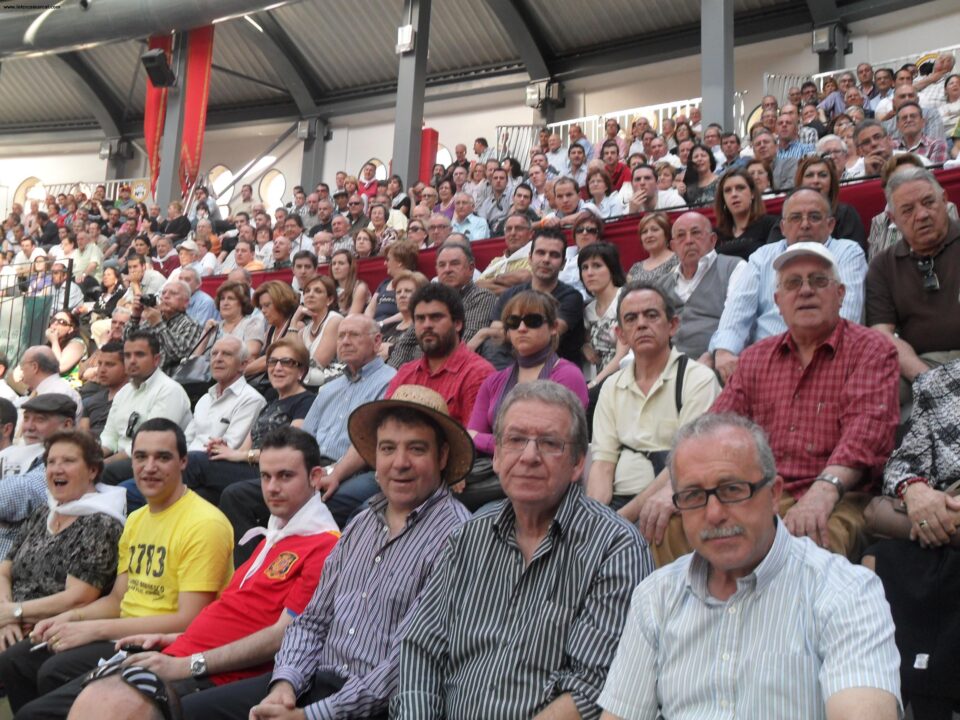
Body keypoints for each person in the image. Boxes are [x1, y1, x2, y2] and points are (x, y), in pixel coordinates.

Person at [181, 385, 472, 720]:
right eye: (388, 448)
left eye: (417, 449)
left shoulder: (457, 537)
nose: (400, 463)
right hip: (312, 684)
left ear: (443, 456)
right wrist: (284, 686)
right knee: (185, 712)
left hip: (377, 708)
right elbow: (312, 620)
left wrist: (311, 716)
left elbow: (408, 663)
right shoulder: (362, 522)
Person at [597, 413, 901, 720]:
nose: (714, 514)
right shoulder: (655, 597)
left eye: (732, 490)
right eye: (693, 496)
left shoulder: (845, 592)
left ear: (773, 494)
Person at [393, 381, 651, 718]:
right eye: (515, 440)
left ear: (577, 464)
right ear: (497, 456)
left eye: (549, 443)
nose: (529, 456)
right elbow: (421, 647)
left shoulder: (614, 546)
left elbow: (592, 686)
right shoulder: (467, 540)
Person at [86, 428, 339, 703]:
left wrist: (188, 663)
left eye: (285, 476)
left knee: (90, 703)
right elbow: (234, 615)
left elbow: (283, 637)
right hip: (184, 653)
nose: (272, 487)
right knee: (69, 693)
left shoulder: (324, 544)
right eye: (265, 476)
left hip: (214, 675)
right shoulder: (277, 533)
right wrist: (173, 637)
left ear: (315, 477)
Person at [1, 419, 234, 718]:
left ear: (183, 462)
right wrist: (69, 620)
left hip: (162, 644)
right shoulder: (137, 520)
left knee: (46, 684)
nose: (149, 467)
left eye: (162, 457)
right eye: (140, 457)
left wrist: (91, 628)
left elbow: (188, 620)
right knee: (16, 661)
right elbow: (117, 599)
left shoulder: (204, 523)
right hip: (123, 631)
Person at [703, 242, 900, 561]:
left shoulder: (871, 349)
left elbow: (866, 433)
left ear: (840, 294)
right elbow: (713, 430)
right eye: (793, 283)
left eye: (819, 281)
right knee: (668, 526)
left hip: (841, 496)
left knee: (807, 547)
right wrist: (674, 489)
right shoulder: (755, 358)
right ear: (778, 302)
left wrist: (822, 492)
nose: (806, 290)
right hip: (761, 492)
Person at [589, 281, 720, 529]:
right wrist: (596, 519)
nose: (641, 324)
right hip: (618, 506)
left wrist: (620, 522)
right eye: (631, 318)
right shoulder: (611, 386)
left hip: (672, 499)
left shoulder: (698, 380)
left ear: (672, 326)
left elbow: (685, 464)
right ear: (621, 335)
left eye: (651, 315)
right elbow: (603, 464)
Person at [709, 188, 868, 384]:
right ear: (783, 227)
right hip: (764, 360)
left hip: (825, 360)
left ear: (830, 225)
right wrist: (725, 351)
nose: (805, 224)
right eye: (795, 218)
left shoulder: (848, 251)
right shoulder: (762, 256)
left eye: (815, 217)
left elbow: (847, 318)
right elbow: (738, 309)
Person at [0, 430, 124, 656]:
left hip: (47, 630)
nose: (57, 469)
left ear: (92, 470)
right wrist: (6, 615)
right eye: (51, 462)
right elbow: (4, 571)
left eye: (68, 461)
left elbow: (77, 598)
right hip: (10, 620)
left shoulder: (101, 523)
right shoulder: (44, 511)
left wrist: (15, 613)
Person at [466, 293, 589, 510]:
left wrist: (485, 441)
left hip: (546, 481)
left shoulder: (567, 375)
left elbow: (554, 444)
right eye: (513, 323)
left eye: (532, 321)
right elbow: (468, 440)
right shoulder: (494, 381)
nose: (521, 328)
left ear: (553, 328)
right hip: (497, 477)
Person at [866, 168, 960, 401]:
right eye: (907, 210)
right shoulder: (882, 266)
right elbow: (882, 334)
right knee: (875, 391)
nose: (921, 215)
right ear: (893, 219)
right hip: (920, 363)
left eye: (928, 202)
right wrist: (926, 379)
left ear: (945, 200)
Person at [481, 228, 585, 369]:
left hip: (554, 373)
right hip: (512, 364)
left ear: (563, 264)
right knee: (492, 346)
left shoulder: (571, 297)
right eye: (541, 253)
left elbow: (545, 336)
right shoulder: (511, 294)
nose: (546, 260)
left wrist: (484, 332)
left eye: (554, 255)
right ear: (530, 258)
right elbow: (497, 330)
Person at [100, 331, 192, 481]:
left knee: (102, 472)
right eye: (127, 356)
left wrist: (102, 464)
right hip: (122, 459)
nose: (132, 361)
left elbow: (151, 443)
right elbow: (109, 436)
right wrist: (90, 458)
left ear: (156, 359)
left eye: (139, 355)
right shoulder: (123, 392)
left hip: (154, 463)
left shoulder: (169, 390)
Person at [0, 395, 80, 559]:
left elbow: (22, 494)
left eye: (40, 420)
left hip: (18, 559)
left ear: (66, 426)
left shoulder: (69, 458)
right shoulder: (17, 452)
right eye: (27, 418)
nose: (29, 427)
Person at [123, 280, 202, 376]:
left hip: (169, 381)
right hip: (141, 377)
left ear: (185, 303)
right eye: (163, 293)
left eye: (173, 293)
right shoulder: (151, 321)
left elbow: (179, 354)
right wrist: (135, 316)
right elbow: (127, 344)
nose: (166, 296)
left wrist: (158, 324)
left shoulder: (191, 325)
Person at [580, 243, 629, 385]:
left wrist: (593, 385)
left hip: (625, 377)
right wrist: (583, 346)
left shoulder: (626, 299)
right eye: (584, 267)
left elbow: (622, 354)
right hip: (598, 379)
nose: (589, 273)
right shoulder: (588, 310)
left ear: (611, 269)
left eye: (597, 266)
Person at [435, 241, 497, 348]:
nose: (447, 270)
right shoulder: (430, 299)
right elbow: (406, 342)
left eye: (454, 263)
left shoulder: (481, 297)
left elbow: (464, 340)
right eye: (442, 265)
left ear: (471, 268)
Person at [712, 168, 779, 260]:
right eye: (728, 190)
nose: (734, 194)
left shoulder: (771, 224)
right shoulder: (716, 234)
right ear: (723, 199)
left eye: (740, 188)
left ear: (752, 194)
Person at [291, 275, 343, 388]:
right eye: (307, 291)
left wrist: (291, 369)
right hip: (306, 382)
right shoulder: (303, 331)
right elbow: (287, 356)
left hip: (331, 385)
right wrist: (294, 320)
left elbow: (317, 365)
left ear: (329, 300)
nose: (310, 294)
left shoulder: (334, 320)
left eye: (317, 291)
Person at [193, 281, 265, 360]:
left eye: (231, 298)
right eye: (222, 299)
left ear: (242, 303)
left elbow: (251, 354)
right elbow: (195, 359)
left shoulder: (252, 323)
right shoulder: (214, 327)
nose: (225, 303)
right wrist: (206, 333)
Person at [244, 281, 299, 380]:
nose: (263, 311)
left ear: (282, 302)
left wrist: (238, 371)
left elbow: (271, 360)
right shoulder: (271, 328)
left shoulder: (296, 326)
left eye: (267, 305)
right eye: (261, 307)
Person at [380, 270, 428, 369]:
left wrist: (391, 350)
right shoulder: (387, 328)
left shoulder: (426, 326)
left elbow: (425, 355)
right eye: (398, 292)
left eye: (408, 291)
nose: (402, 295)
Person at [475, 213, 532, 295]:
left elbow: (526, 278)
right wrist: (513, 290)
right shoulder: (496, 261)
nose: (513, 233)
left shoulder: (536, 258)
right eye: (508, 229)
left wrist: (494, 280)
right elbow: (478, 285)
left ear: (530, 234)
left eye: (519, 228)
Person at [79, 342, 125, 438]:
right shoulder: (91, 401)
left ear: (126, 367)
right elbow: (82, 437)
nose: (102, 370)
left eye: (110, 365)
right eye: (100, 364)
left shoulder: (134, 399)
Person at [365, 241, 418, 323]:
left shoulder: (415, 282)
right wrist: (366, 324)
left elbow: (411, 311)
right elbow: (371, 308)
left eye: (388, 259)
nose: (385, 263)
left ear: (399, 262)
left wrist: (382, 323)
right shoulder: (384, 283)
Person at [626, 212, 678, 284]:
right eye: (644, 232)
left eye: (655, 230)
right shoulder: (635, 268)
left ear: (666, 234)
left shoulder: (678, 260)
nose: (649, 235)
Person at [45, 311, 88, 389]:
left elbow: (60, 367)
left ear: (70, 329)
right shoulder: (52, 342)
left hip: (67, 390)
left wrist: (54, 341)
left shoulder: (77, 343)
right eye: (53, 320)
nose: (55, 323)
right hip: (49, 385)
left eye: (61, 322)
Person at [329, 248, 370, 316]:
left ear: (350, 267)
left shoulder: (360, 288)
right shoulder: (329, 288)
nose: (336, 267)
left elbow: (351, 318)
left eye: (341, 263)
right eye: (333, 264)